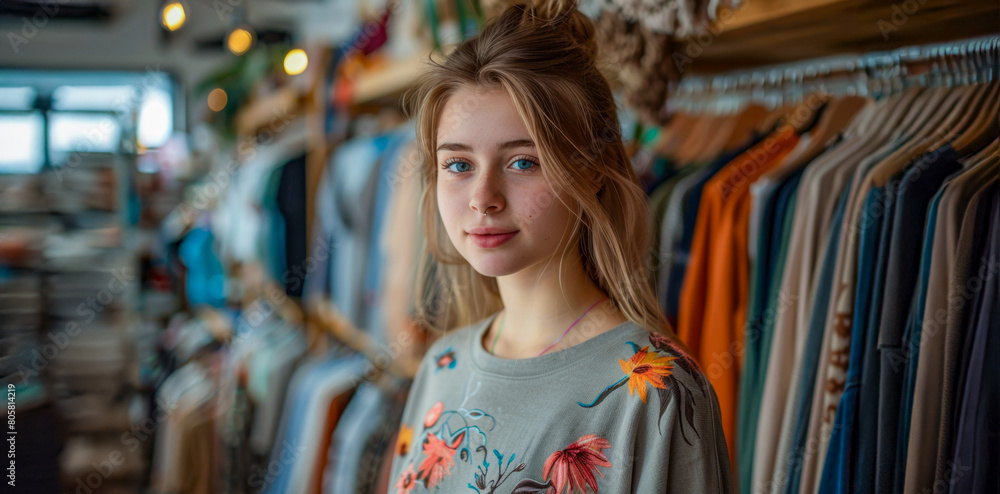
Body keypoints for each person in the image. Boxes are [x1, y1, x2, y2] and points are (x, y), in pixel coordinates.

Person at [387, 1, 733, 492]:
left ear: (591, 169)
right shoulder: (443, 364)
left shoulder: (652, 391)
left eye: (524, 162)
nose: (483, 199)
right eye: (459, 165)